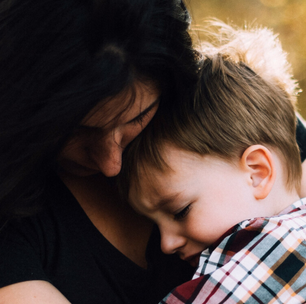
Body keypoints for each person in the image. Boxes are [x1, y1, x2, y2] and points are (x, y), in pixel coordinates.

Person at [0, 0, 201, 303]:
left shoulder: (224, 116)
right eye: (76, 132)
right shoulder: (12, 223)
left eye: (136, 118)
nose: (111, 164)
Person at [120, 21, 306, 303]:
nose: (166, 244)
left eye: (180, 211)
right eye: (154, 224)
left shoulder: (280, 249)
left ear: (257, 172)